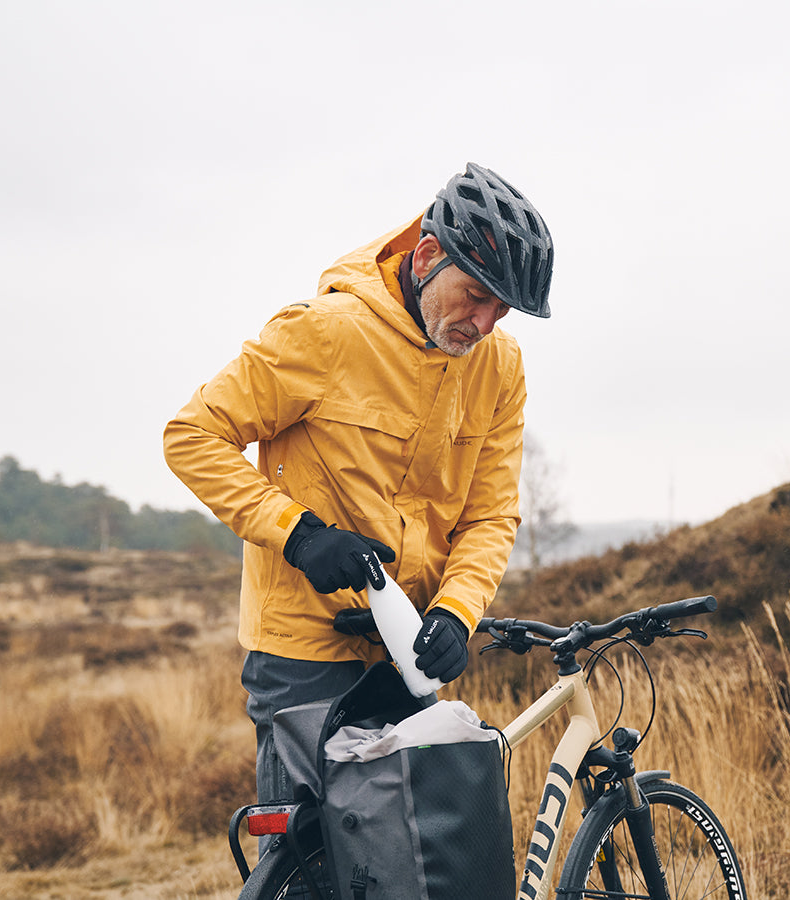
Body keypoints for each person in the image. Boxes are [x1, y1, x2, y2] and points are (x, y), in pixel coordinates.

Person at [162, 162, 553, 809]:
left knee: (411, 864)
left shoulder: (500, 366)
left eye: (502, 309)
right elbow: (191, 435)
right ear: (427, 255)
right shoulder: (323, 331)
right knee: (316, 866)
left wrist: (457, 613)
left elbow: (491, 515)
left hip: (408, 652)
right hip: (304, 655)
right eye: (477, 296)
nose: (485, 324)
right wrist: (299, 534)